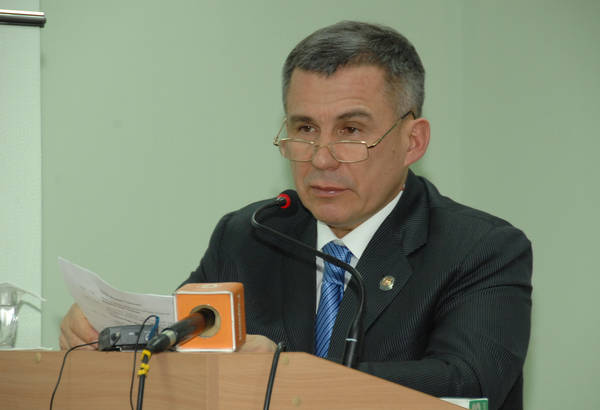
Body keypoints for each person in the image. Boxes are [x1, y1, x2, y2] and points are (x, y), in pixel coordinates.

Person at [60, 21, 532, 410]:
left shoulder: (481, 248)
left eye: (351, 130)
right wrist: (118, 335)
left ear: (413, 141)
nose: (321, 158)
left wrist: (285, 373)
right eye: (305, 128)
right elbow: (188, 345)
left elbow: (469, 382)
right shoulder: (250, 234)